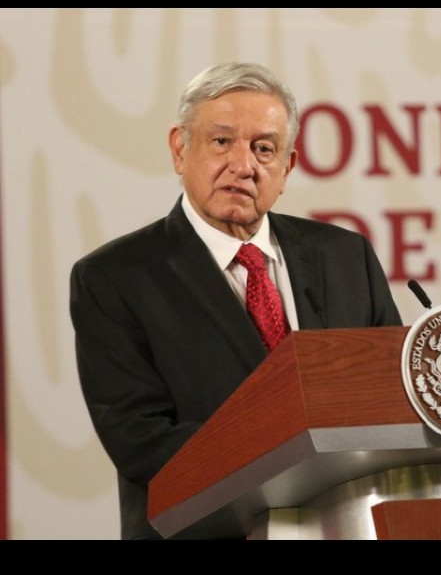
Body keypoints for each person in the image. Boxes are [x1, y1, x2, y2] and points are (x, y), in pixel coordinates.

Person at [69, 62, 403, 540]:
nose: (243, 165)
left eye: (264, 148)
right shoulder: (115, 277)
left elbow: (389, 400)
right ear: (180, 149)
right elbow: (139, 439)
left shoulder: (346, 256)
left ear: (287, 168)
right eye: (222, 141)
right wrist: (296, 462)